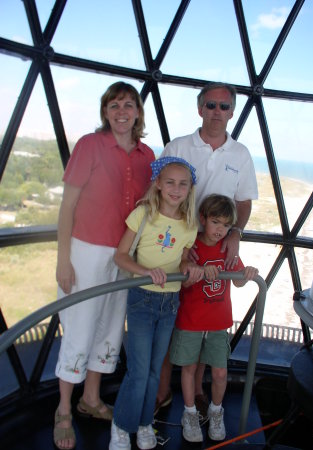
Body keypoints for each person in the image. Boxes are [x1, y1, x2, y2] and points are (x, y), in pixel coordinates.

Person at [53, 82, 155, 450]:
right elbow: (67, 206)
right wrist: (64, 260)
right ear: (105, 112)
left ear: (139, 112)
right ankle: (63, 408)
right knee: (79, 327)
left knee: (111, 328)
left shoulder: (147, 155)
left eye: (129, 104)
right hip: (87, 250)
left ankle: (90, 399)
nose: (122, 111)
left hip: (126, 253)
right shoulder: (89, 145)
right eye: (114, 105)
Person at [156, 81, 258, 418]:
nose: (217, 112)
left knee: (199, 319)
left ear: (232, 112)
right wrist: (180, 247)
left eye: (224, 106)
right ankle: (161, 391)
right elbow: (160, 194)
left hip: (214, 246)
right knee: (172, 316)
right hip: (178, 245)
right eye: (211, 105)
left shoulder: (240, 154)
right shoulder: (179, 146)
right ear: (200, 109)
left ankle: (196, 391)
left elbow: (243, 201)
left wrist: (235, 233)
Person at [109, 156, 204, 450]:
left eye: (183, 184)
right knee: (138, 371)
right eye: (170, 182)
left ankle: (144, 423)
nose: (176, 189)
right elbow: (121, 256)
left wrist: (189, 265)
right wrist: (146, 272)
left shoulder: (190, 224)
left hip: (169, 302)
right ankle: (121, 426)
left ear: (190, 189)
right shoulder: (144, 213)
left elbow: (184, 256)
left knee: (153, 370)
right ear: (159, 185)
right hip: (142, 298)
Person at [170, 194, 259, 443]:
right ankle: (189, 414)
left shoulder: (227, 250)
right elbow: (183, 281)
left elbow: (239, 280)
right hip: (191, 321)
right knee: (188, 369)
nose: (220, 230)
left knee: (220, 373)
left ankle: (215, 411)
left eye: (226, 225)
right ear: (203, 219)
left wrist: (248, 272)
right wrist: (197, 272)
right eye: (216, 222)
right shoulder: (192, 247)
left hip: (219, 323)